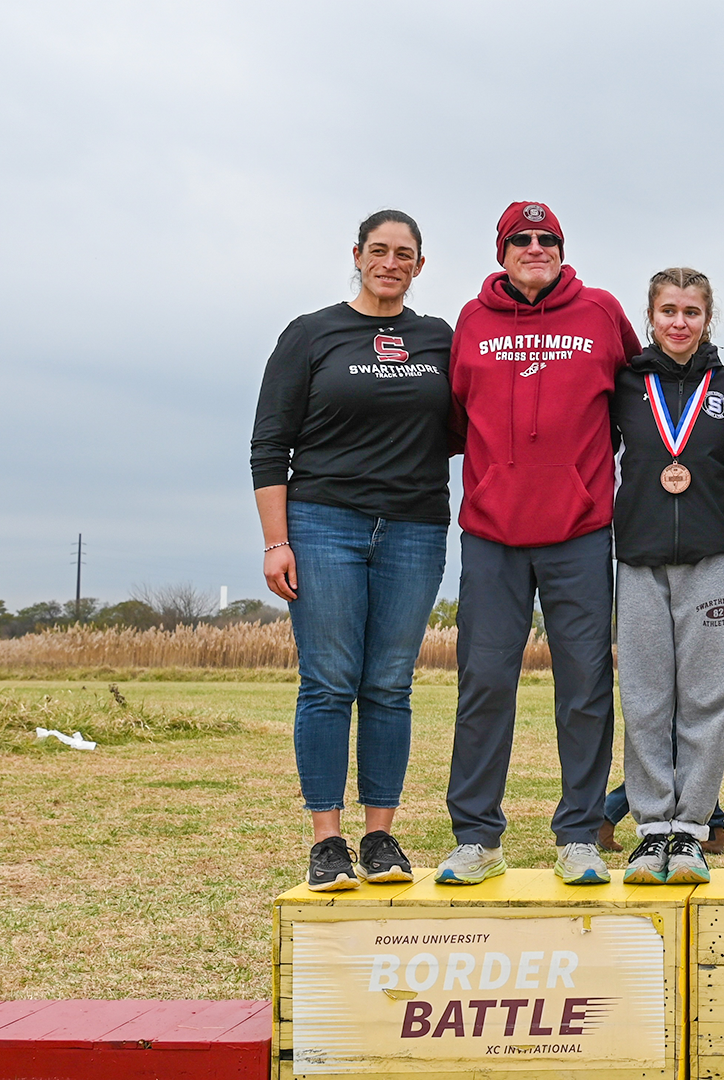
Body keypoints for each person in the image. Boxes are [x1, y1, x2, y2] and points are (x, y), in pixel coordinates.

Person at [437, 201, 641, 886]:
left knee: (585, 685)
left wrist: (585, 479)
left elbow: (637, 406)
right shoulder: (471, 321)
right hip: (493, 534)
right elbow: (457, 416)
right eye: (520, 239)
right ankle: (477, 837)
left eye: (546, 238)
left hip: (580, 532)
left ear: (561, 247)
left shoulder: (602, 313)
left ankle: (579, 833)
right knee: (485, 681)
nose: (535, 247)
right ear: (501, 251)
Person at [250, 210, 452, 891]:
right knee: (329, 682)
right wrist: (277, 540)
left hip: (415, 528)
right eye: (379, 250)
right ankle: (327, 843)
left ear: (420, 266)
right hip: (323, 523)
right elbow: (269, 445)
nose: (391, 262)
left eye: (405, 254)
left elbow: (463, 427)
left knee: (390, 686)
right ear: (358, 255)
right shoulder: (312, 334)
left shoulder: (438, 339)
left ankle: (379, 837)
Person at [612, 268, 724, 886]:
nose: (679, 323)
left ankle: (691, 830)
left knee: (706, 695)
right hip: (639, 557)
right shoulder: (624, 384)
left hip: (712, 555)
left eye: (691, 312)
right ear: (651, 316)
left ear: (706, 319)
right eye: (668, 310)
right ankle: (649, 831)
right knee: (644, 696)